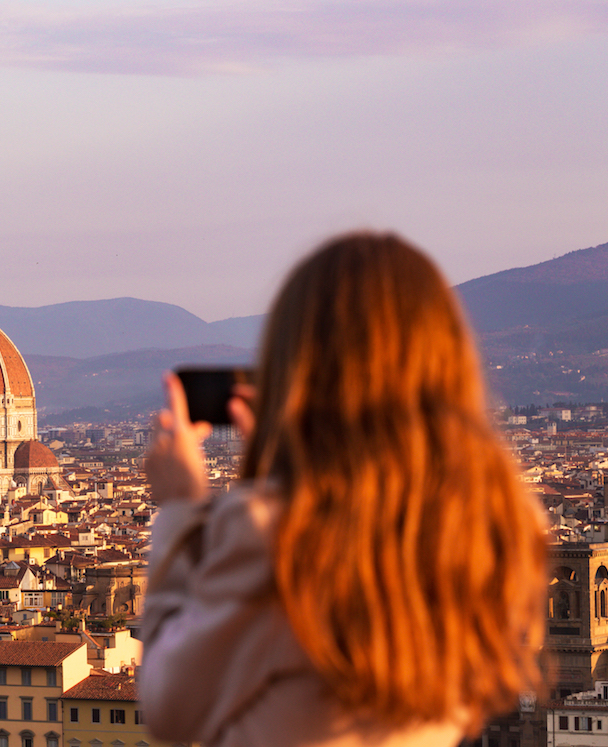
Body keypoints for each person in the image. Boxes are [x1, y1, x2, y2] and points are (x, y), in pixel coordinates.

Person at [139, 232, 546, 747]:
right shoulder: (501, 527)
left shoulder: (273, 532)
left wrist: (180, 509)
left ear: (298, 365)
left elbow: (169, 708)